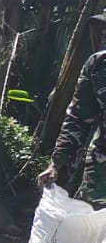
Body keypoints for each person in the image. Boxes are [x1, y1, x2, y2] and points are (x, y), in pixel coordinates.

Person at [39, 11, 106, 202]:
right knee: (89, 227)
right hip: (101, 173)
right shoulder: (98, 65)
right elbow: (78, 118)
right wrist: (57, 163)